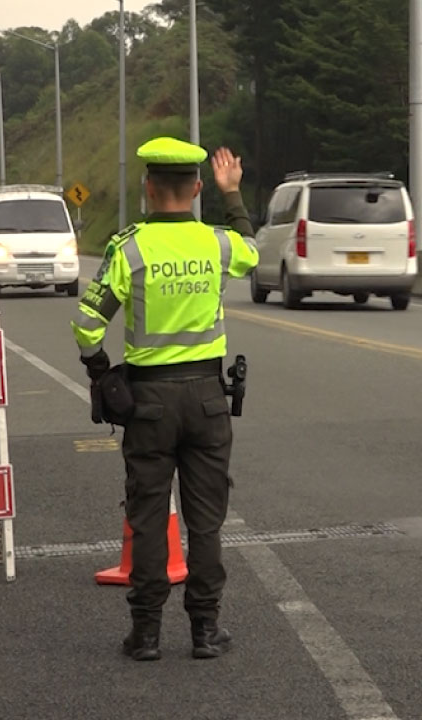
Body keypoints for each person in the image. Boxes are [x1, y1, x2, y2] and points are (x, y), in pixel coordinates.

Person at [71, 138, 259, 661]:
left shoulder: (128, 248)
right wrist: (233, 194)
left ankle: (146, 633)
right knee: (206, 519)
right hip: (206, 400)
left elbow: (86, 324)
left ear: (148, 189)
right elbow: (251, 248)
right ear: (198, 189)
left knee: (149, 516)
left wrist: (101, 370)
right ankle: (205, 629)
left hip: (148, 403)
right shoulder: (217, 244)